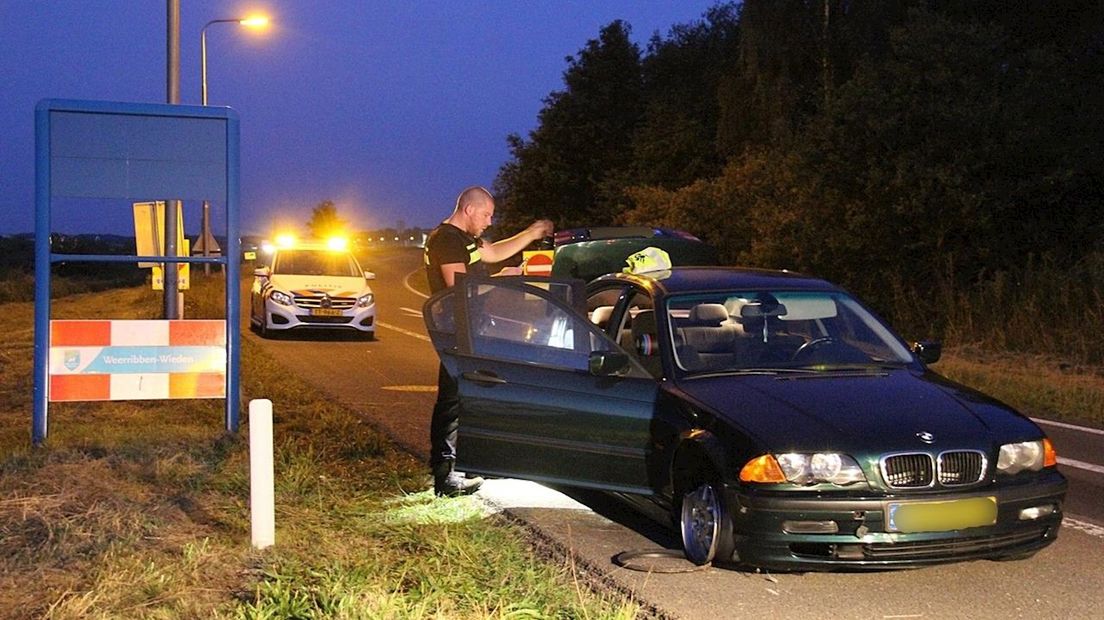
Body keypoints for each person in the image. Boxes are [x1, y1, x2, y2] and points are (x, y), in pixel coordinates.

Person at [423, 186, 553, 496]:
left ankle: (470, 463)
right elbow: (459, 288)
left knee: (472, 397)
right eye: (486, 215)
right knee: (453, 401)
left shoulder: (464, 239)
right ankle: (445, 475)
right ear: (468, 210)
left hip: (472, 328)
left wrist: (532, 233)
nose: (489, 221)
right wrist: (502, 279)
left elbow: (493, 252)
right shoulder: (447, 240)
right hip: (456, 331)